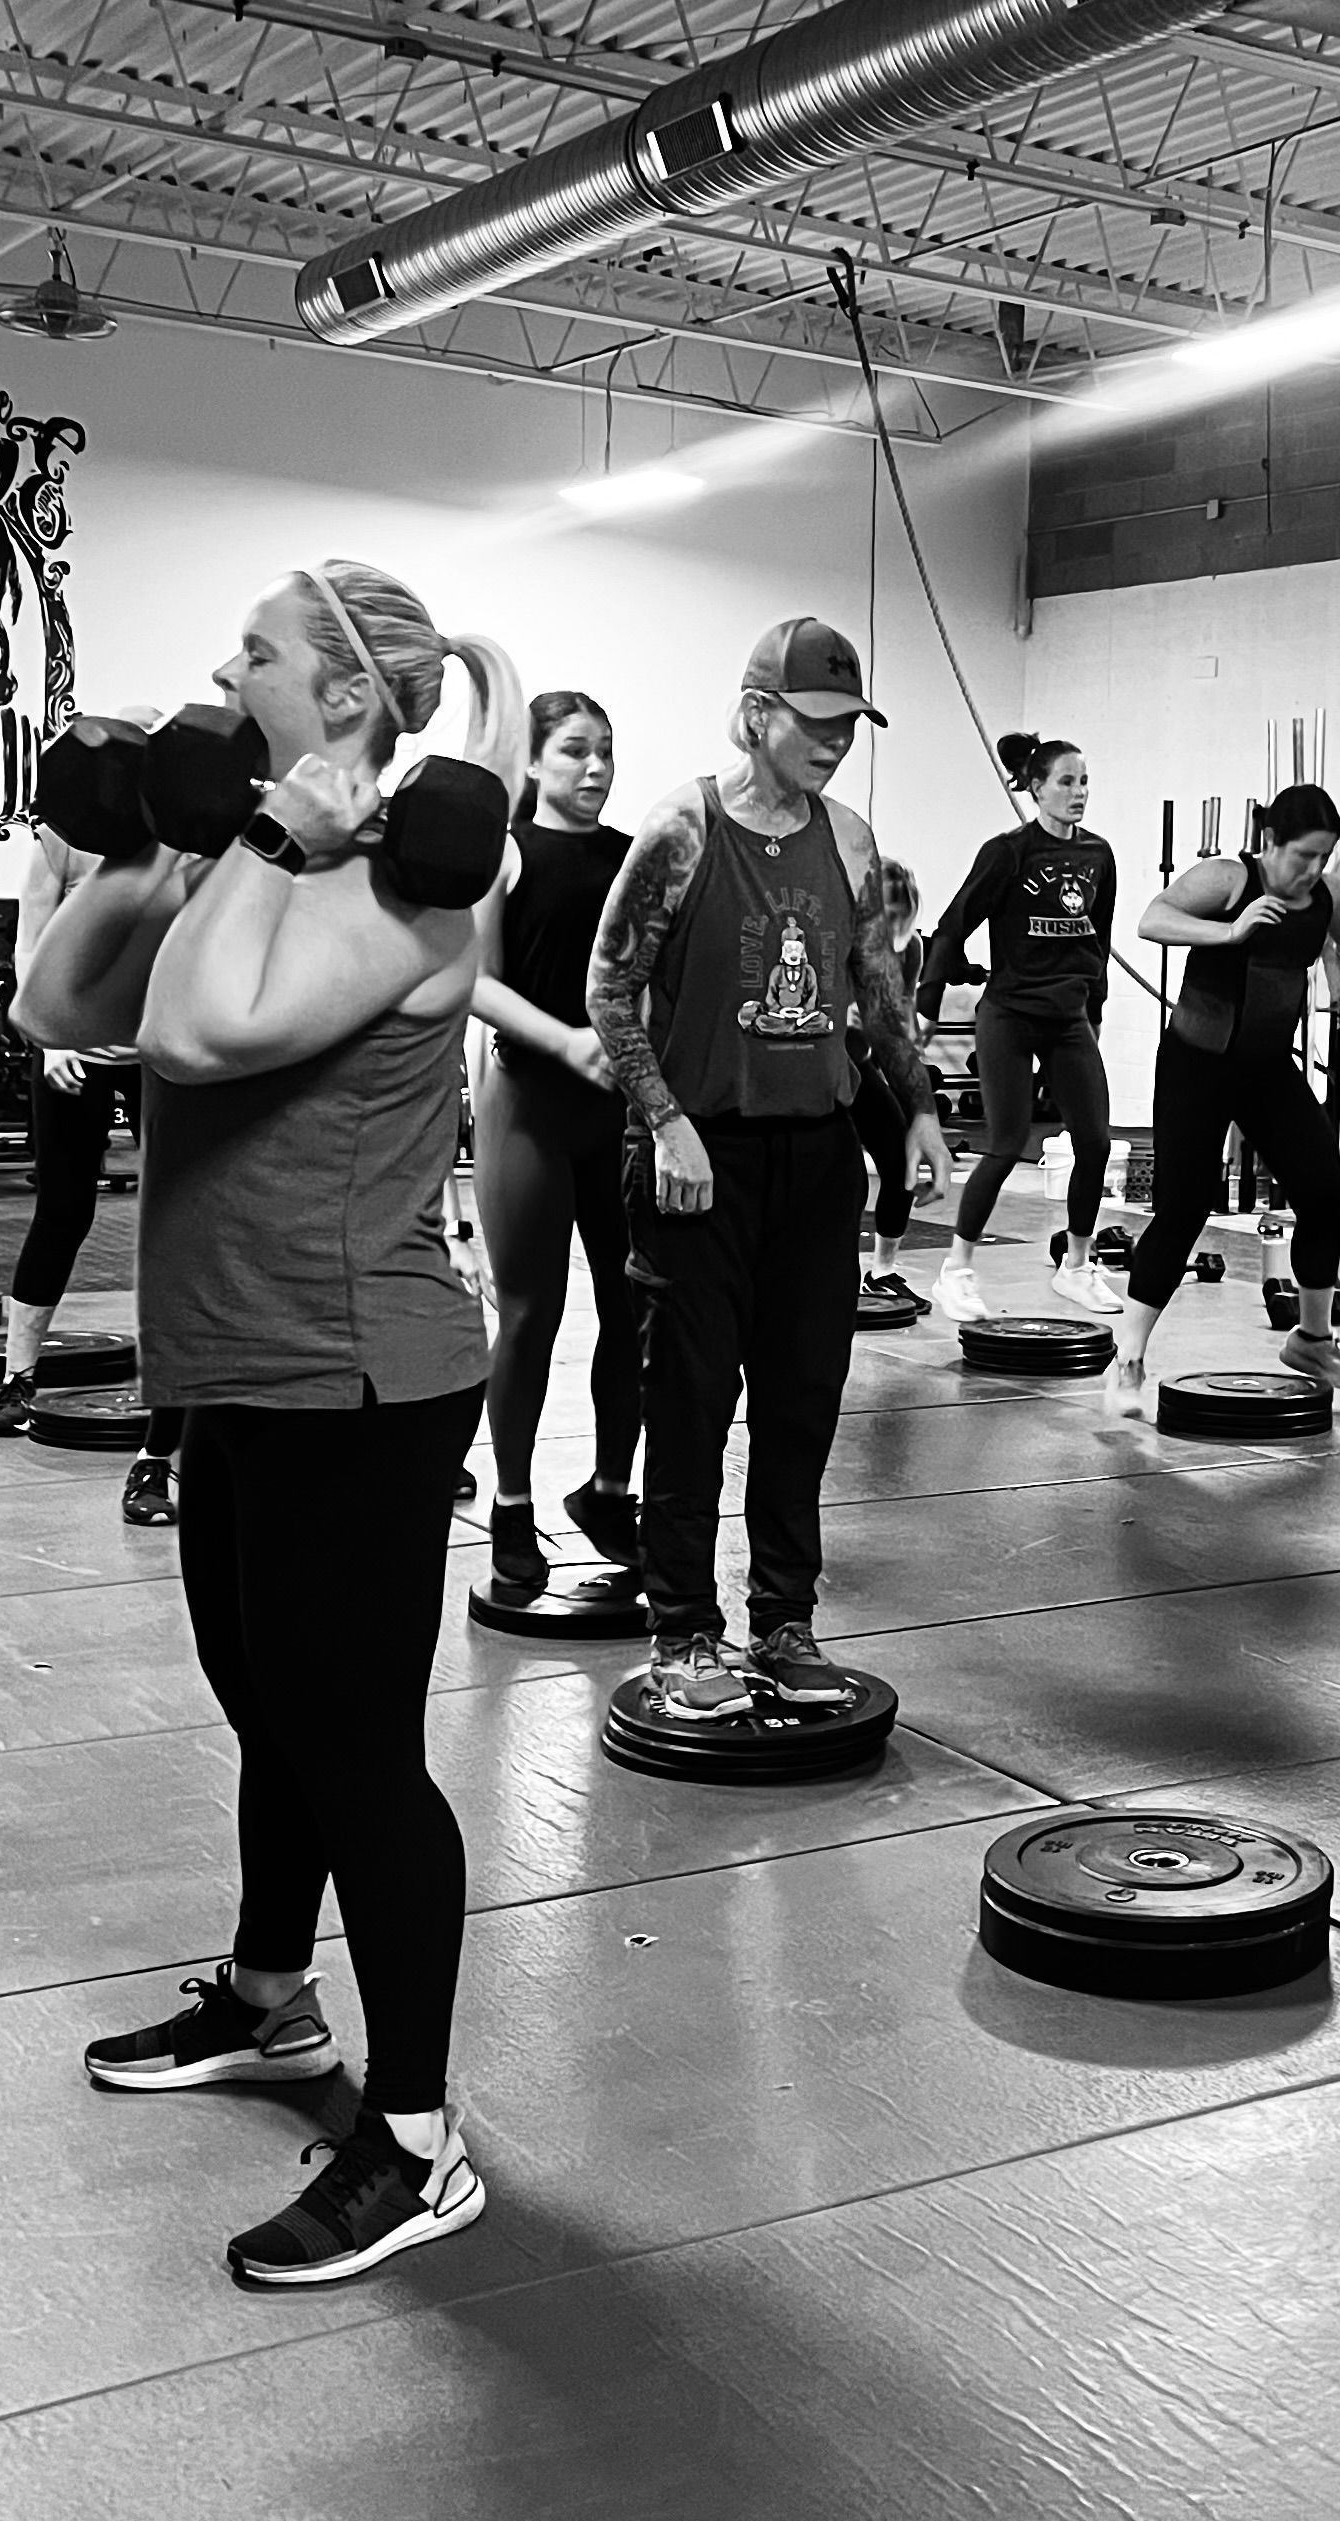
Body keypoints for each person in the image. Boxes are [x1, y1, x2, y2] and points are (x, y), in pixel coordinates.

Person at [14, 558, 523, 2283]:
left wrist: (256, 854)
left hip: (354, 1375)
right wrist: (150, 854)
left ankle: (418, 2135)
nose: (222, 669)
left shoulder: (403, 890)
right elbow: (60, 1011)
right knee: (266, 1707)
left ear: (347, 700)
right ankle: (265, 1997)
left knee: (355, 1751)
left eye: (256, 651)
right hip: (232, 1363)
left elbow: (197, 1030)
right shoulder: (258, 868)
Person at [585, 617, 951, 1722]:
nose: (837, 741)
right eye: (817, 720)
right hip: (704, 1157)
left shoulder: (847, 838)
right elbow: (610, 989)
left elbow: (877, 989)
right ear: (757, 714)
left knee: (803, 1398)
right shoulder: (682, 832)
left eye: (850, 723)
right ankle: (683, 1628)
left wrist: (921, 1112)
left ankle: (784, 1620)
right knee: (691, 1400)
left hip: (817, 1156)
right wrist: (666, 1121)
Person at [1106, 782, 1340, 1414]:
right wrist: (1232, 929)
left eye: (1323, 858)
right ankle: (1128, 1360)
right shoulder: (1228, 878)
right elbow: (1151, 919)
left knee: (1326, 1192)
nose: (1312, 870)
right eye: (1302, 855)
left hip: (1268, 1068)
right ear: (1270, 841)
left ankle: (1312, 1338)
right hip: (1198, 1065)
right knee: (1184, 1210)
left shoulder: (1324, 893)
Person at [470, 691, 641, 1588]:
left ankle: (610, 1490)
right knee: (531, 1314)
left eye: (606, 751)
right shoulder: (504, 852)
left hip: (616, 1112)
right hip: (528, 1102)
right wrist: (568, 1040)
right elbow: (477, 981)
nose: (596, 768)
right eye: (575, 751)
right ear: (534, 761)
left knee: (632, 1305)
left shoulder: (632, 859)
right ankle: (510, 1507)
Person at [0, 810, 184, 1526]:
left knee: (178, 1224)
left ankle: (172, 1424)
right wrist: (50, 1034)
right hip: (70, 1053)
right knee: (65, 1210)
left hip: (158, 1053)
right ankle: (16, 1379)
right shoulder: (58, 841)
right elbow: (29, 951)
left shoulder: (179, 839)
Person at [922, 733, 1120, 1324]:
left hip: (1067, 1019)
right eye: (1066, 781)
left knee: (1096, 1144)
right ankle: (955, 1272)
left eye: (1083, 781)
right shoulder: (1008, 852)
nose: (1078, 793)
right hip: (1008, 1015)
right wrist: (927, 1001)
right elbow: (955, 920)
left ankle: (1077, 1266)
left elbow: (1097, 941)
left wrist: (1095, 1011)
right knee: (1006, 1144)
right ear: (1035, 787)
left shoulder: (1098, 855)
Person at [851, 857, 932, 1312]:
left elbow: (903, 1013)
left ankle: (881, 1273)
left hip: (867, 1059)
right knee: (842, 1175)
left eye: (902, 914)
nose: (894, 923)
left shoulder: (911, 947)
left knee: (903, 1160)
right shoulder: (842, 941)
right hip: (825, 1061)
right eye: (887, 914)